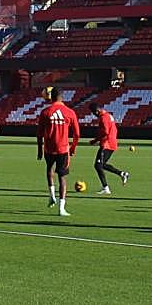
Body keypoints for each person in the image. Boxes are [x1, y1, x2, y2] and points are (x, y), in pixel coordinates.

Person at [36, 87, 81, 217]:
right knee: (62, 177)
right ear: (62, 96)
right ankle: (61, 208)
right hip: (63, 149)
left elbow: (39, 134)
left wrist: (39, 150)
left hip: (49, 148)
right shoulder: (70, 112)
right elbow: (77, 134)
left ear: (51, 97)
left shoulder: (45, 112)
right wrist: (73, 148)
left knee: (49, 170)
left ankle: (51, 196)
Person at [89, 102, 129, 194]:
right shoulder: (108, 115)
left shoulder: (104, 118)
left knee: (98, 165)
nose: (94, 115)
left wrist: (95, 140)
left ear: (97, 111)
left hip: (107, 144)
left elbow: (105, 132)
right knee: (101, 164)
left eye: (93, 113)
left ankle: (106, 188)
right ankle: (122, 174)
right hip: (111, 143)